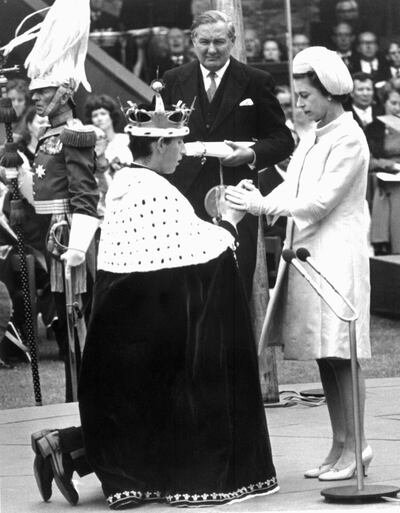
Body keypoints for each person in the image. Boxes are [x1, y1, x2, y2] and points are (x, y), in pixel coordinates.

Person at [30, 84, 279, 510]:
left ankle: (64, 446)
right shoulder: (152, 189)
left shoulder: (130, 182)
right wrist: (233, 221)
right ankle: (65, 447)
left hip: (124, 318)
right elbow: (206, 253)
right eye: (178, 143)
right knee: (170, 394)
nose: (183, 152)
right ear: (160, 143)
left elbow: (181, 245)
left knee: (137, 401)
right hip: (145, 322)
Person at [226, 46, 372, 481]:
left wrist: (261, 205)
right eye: (298, 96)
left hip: (336, 252)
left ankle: (358, 446)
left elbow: (320, 200)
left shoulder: (349, 137)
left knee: (343, 353)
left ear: (330, 93)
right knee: (326, 355)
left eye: (307, 95)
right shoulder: (314, 134)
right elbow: (293, 184)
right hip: (308, 252)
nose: (300, 104)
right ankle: (340, 444)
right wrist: (257, 193)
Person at [1, 0, 99, 401]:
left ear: (65, 92)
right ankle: (75, 398)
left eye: (43, 92)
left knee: (78, 322)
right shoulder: (46, 136)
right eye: (35, 92)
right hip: (50, 236)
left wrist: (78, 245)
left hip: (68, 239)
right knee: (64, 319)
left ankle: (88, 397)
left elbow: (84, 196)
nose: (36, 98)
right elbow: (43, 190)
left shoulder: (75, 133)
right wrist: (16, 179)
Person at [162, 10, 294, 298]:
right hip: (183, 199)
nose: (212, 49)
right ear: (193, 41)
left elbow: (283, 140)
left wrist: (250, 154)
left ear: (232, 40)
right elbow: (157, 139)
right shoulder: (172, 81)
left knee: (234, 285)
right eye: (204, 41)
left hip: (237, 198)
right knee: (187, 287)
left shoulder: (255, 81)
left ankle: (235, 344)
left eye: (219, 42)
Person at [367, 81, 400, 254]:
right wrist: (392, 165)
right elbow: (368, 160)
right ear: (384, 103)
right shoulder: (374, 129)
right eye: (394, 103)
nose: (398, 108)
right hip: (387, 182)